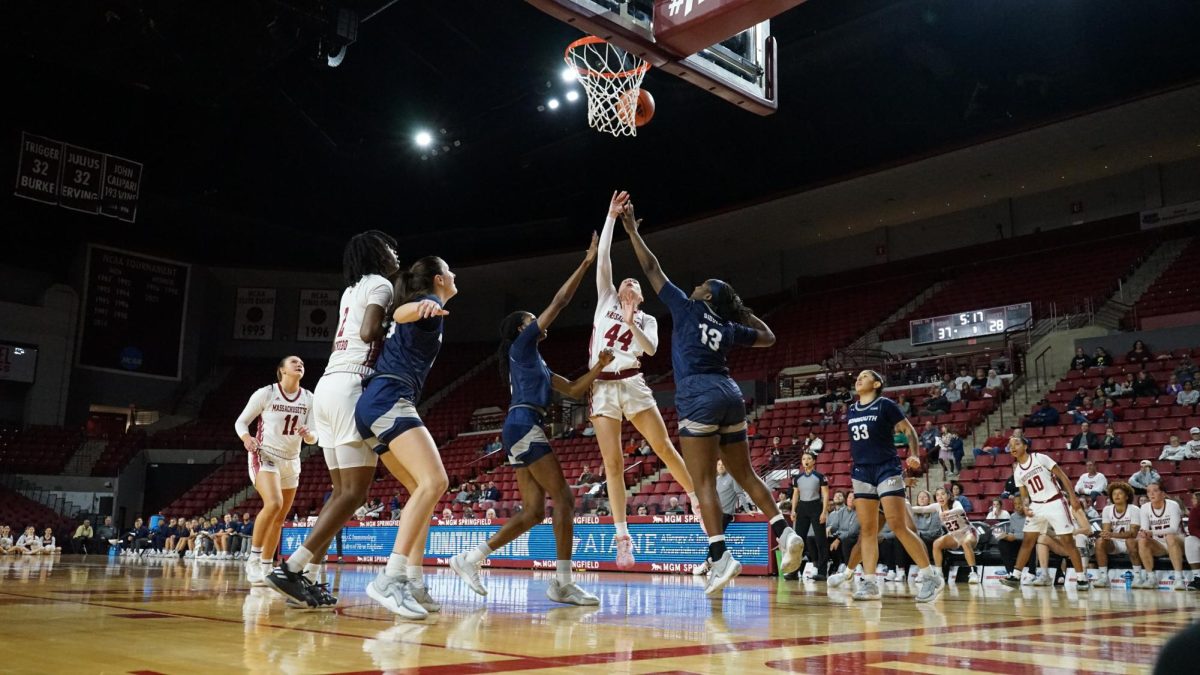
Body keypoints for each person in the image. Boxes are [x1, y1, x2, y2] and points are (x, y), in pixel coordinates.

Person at [612, 202, 804, 595]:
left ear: (707, 296)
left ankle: (721, 557)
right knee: (746, 475)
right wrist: (741, 311)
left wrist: (632, 231)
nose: (698, 284)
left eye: (704, 285)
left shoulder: (686, 307)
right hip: (731, 394)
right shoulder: (729, 327)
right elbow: (768, 337)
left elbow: (652, 270)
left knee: (702, 484)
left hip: (699, 395)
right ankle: (784, 532)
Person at [449, 235, 613, 606]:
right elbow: (560, 301)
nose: (538, 324)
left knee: (536, 510)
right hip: (524, 425)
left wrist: (600, 367)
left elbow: (571, 390)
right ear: (521, 329)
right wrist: (586, 263)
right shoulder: (522, 347)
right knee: (566, 500)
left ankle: (470, 558)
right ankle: (562, 582)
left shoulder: (535, 361)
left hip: (520, 427)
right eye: (530, 321)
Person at [267, 231, 399, 604]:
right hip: (352, 384)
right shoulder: (381, 285)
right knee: (356, 492)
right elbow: (370, 331)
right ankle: (293, 568)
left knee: (343, 492)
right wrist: (400, 328)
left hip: (326, 386)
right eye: (390, 247)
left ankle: (307, 573)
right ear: (376, 253)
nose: (395, 253)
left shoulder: (350, 290)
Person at [586, 192, 699, 569]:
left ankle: (697, 502)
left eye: (635, 281)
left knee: (665, 447)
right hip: (602, 386)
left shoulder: (646, 320)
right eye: (626, 279)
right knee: (613, 465)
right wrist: (610, 217)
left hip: (632, 381)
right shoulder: (605, 300)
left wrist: (633, 319)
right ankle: (622, 536)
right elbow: (603, 258)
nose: (629, 281)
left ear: (640, 295)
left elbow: (649, 351)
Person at [346, 256, 459, 619]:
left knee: (421, 492)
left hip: (375, 403)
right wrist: (420, 306)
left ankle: (412, 579)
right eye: (450, 272)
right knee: (435, 481)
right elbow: (399, 314)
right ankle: (389, 578)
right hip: (389, 397)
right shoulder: (429, 306)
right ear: (439, 280)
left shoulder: (434, 308)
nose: (455, 275)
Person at [843, 370, 944, 602]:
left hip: (887, 468)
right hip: (861, 470)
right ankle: (869, 583)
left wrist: (915, 454)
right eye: (858, 376)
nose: (859, 379)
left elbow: (908, 430)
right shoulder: (851, 410)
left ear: (877, 383)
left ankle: (930, 577)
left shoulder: (885, 404)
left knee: (898, 525)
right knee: (867, 530)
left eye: (865, 376)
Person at [236, 355, 315, 585]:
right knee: (274, 503)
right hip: (265, 454)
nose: (300, 364)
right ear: (281, 370)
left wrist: (308, 434)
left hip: (292, 460)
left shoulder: (309, 398)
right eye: (294, 362)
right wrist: (246, 438)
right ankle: (253, 559)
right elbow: (241, 422)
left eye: (302, 362)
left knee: (279, 518)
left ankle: (267, 567)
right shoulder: (267, 393)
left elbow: (314, 436)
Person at [998, 435, 1090, 590]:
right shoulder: (1018, 472)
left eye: (1017, 443)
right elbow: (1024, 494)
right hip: (1037, 506)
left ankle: (1081, 578)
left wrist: (1073, 498)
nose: (1013, 447)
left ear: (1026, 446)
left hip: (1055, 502)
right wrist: (1026, 506)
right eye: (1010, 445)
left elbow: (1063, 476)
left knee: (1067, 541)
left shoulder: (1039, 458)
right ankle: (1015, 576)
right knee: (1028, 540)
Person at [692, 459, 747, 577]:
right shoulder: (715, 480)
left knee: (715, 540)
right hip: (714, 514)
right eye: (719, 464)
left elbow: (740, 494)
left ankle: (707, 564)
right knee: (715, 540)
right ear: (716, 467)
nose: (721, 466)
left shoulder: (732, 478)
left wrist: (748, 509)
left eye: (723, 464)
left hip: (725, 514)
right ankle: (714, 565)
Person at [914, 487, 981, 583]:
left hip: (968, 532)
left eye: (943, 494)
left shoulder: (955, 503)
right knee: (937, 543)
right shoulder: (937, 506)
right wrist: (906, 507)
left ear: (949, 496)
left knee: (965, 542)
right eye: (937, 495)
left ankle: (973, 573)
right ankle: (939, 574)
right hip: (954, 535)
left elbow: (960, 510)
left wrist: (948, 512)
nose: (940, 497)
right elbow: (922, 509)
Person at [1137, 482, 1190, 591]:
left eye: (1155, 491)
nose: (1151, 494)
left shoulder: (1173, 505)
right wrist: (1143, 532)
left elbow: (1174, 529)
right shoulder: (1144, 507)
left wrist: (1151, 532)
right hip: (1160, 544)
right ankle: (1151, 578)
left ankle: (1179, 579)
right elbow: (1145, 529)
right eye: (1148, 491)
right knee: (1142, 540)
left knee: (1170, 537)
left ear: (1163, 494)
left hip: (1179, 541)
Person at [1092, 481, 1144, 588]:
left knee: (1130, 541)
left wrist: (1111, 535)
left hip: (1132, 542)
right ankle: (1103, 577)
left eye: (1120, 493)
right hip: (1115, 543)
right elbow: (1106, 532)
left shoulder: (1134, 509)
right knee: (1100, 541)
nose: (1116, 496)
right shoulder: (1107, 509)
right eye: (1114, 494)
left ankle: (1138, 577)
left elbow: (1133, 534)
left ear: (1127, 496)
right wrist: (1105, 535)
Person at [789, 452, 830, 580]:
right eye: (803, 459)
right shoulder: (797, 478)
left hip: (816, 507)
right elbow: (796, 494)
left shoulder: (820, 476)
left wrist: (824, 512)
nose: (805, 461)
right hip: (802, 508)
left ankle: (822, 572)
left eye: (808, 458)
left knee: (820, 540)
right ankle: (795, 571)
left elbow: (826, 495)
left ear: (813, 461)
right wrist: (793, 510)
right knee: (798, 541)